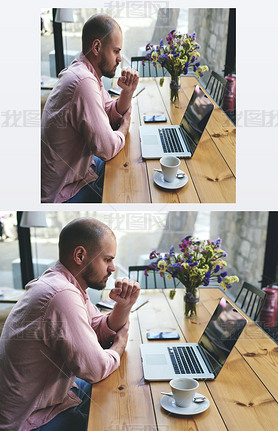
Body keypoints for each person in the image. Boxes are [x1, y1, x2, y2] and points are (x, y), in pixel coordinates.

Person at [0, 218, 140, 431]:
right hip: (29, 420)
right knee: (121, 416)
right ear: (80, 255)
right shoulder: (61, 295)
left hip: (49, 398)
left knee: (120, 392)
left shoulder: (66, 284)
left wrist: (123, 306)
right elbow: (95, 369)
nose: (112, 268)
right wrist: (119, 346)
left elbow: (99, 332)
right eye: (107, 259)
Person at [41, 14, 139, 203]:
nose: (119, 59)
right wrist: (125, 126)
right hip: (63, 193)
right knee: (130, 184)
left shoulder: (86, 73)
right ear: (96, 47)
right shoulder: (83, 82)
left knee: (128, 163)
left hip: (76, 174)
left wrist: (127, 92)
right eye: (116, 51)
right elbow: (107, 148)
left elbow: (110, 115)